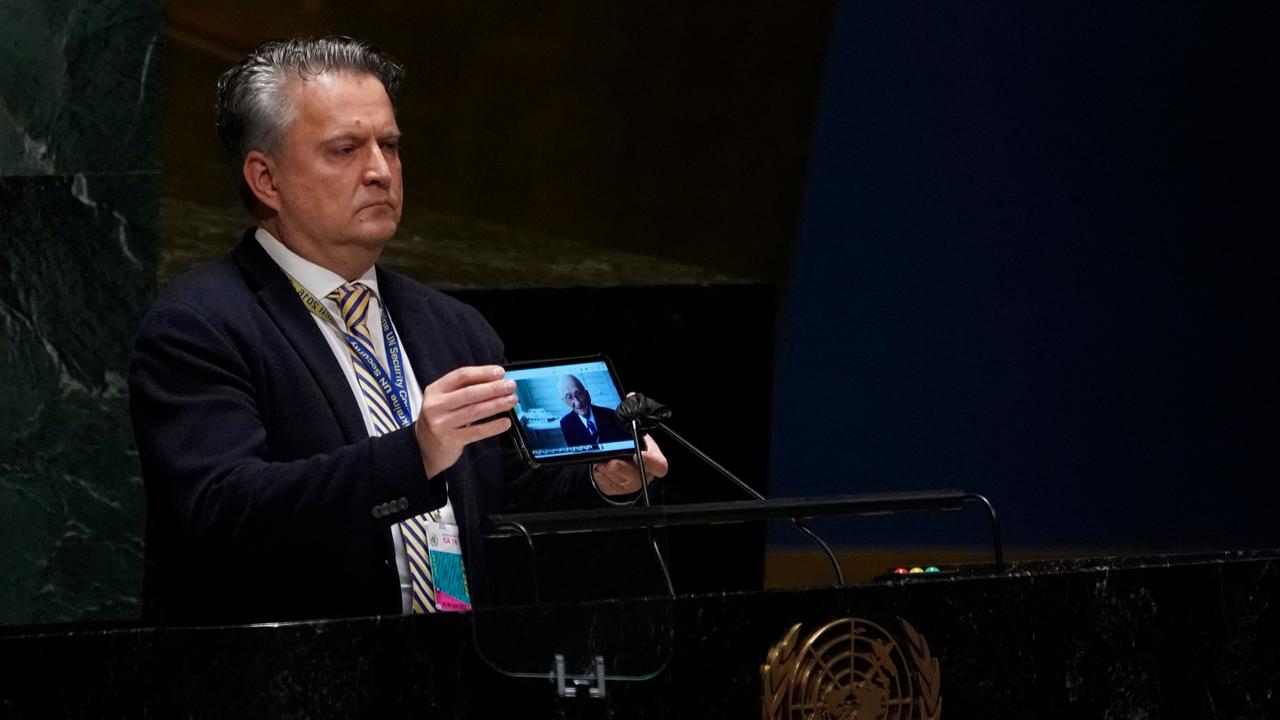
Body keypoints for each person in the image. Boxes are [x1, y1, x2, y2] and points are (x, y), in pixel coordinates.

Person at [128, 36, 666, 624]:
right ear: (266, 179)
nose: (380, 171)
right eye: (344, 150)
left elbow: (503, 503)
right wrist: (415, 452)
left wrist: (603, 484)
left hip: (460, 674)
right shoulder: (200, 325)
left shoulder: (454, 328)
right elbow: (225, 512)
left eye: (389, 145)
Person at [557, 375, 631, 447]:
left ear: (586, 394)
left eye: (579, 394)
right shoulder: (565, 424)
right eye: (569, 397)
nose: (577, 403)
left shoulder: (612, 415)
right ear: (564, 401)